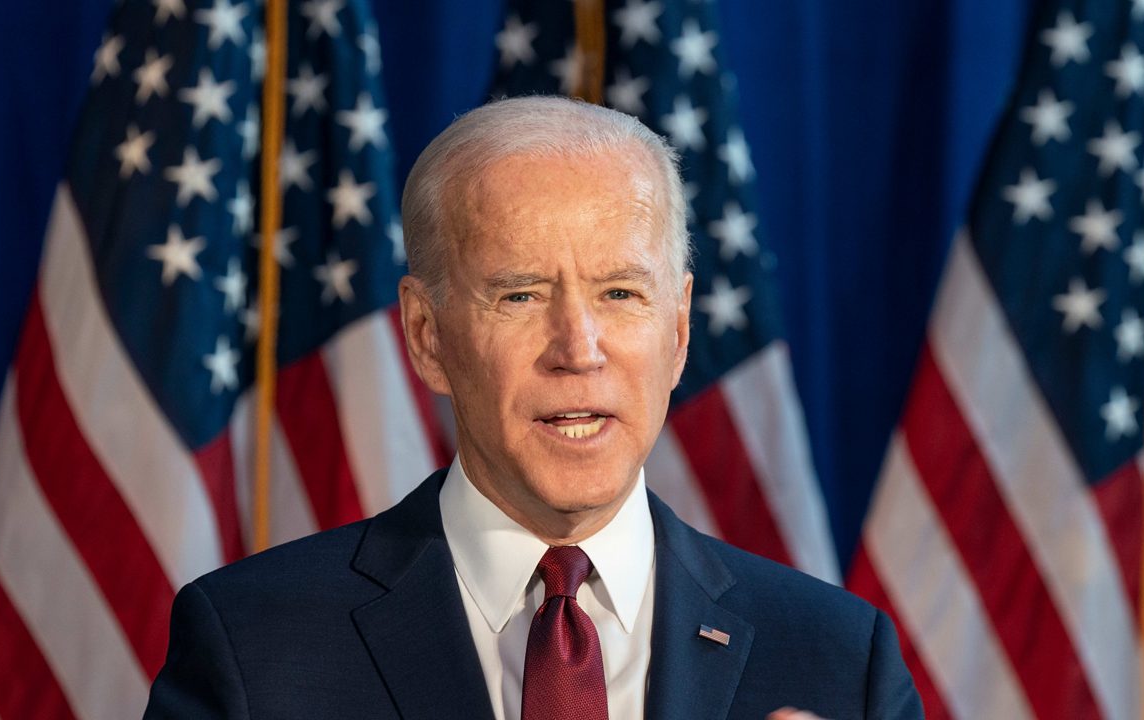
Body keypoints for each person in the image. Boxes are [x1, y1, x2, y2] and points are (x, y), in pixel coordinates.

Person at [143, 96, 922, 720]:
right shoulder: (254, 649)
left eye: (620, 294)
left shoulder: (839, 663)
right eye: (519, 295)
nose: (578, 347)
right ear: (427, 337)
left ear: (679, 332)